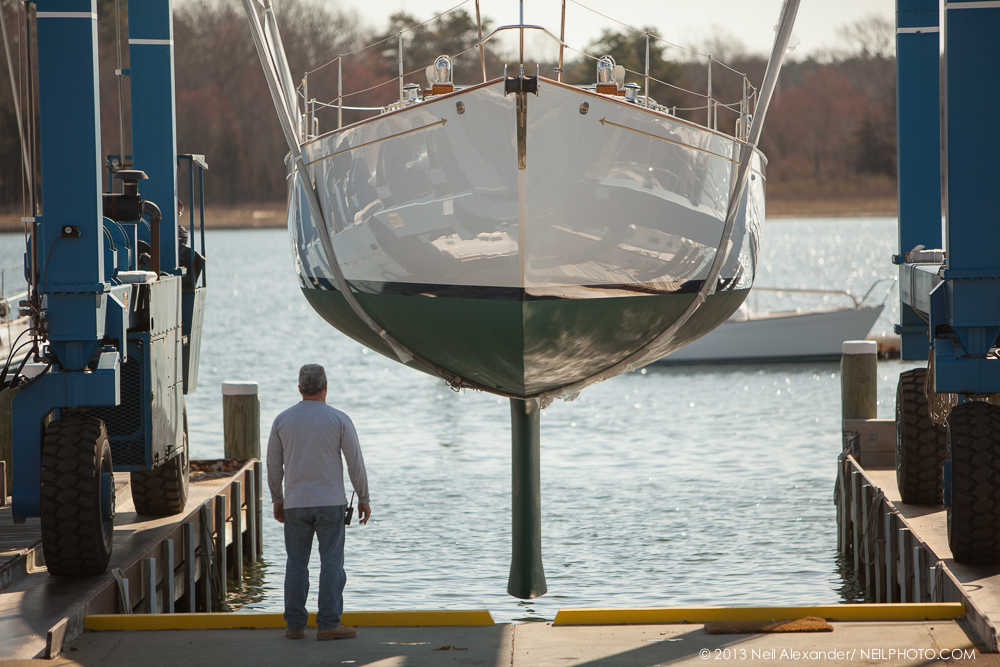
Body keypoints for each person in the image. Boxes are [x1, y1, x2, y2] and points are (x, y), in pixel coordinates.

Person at [267, 363, 371, 641]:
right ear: (326, 387)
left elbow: (273, 466)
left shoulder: (282, 420)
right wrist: (363, 498)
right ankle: (328, 624)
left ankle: (295, 626)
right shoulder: (339, 419)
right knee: (331, 564)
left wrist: (277, 499)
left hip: (296, 504)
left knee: (296, 564)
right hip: (330, 505)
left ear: (300, 388)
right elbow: (355, 464)